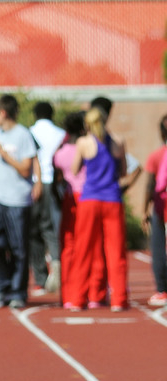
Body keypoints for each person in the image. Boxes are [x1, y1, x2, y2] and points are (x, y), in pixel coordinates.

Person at [0, 95, 39, 309]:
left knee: (19, 248)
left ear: (3, 113)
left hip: (17, 201)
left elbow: (25, 169)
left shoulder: (23, 135)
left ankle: (17, 292)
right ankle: (0, 287)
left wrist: (3, 153)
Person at [66, 106, 128, 312]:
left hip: (90, 200)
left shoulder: (84, 143)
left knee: (83, 250)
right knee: (116, 251)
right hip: (112, 200)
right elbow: (123, 171)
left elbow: (74, 170)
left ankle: (78, 299)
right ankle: (119, 299)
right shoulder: (118, 142)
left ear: (87, 124)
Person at [29, 101, 65, 295]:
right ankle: (57, 265)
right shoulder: (60, 133)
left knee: (34, 231)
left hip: (35, 183)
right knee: (52, 228)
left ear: (35, 114)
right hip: (53, 184)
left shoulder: (30, 131)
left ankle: (40, 278)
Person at [52, 111, 86, 307]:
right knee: (88, 247)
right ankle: (88, 293)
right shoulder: (89, 147)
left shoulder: (60, 152)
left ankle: (67, 295)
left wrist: (58, 199)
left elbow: (55, 179)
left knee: (68, 248)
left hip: (68, 199)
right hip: (87, 198)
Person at [146, 115, 167, 306]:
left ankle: (162, 289)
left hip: (162, 206)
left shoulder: (157, 155)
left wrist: (145, 208)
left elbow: (150, 185)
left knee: (159, 246)